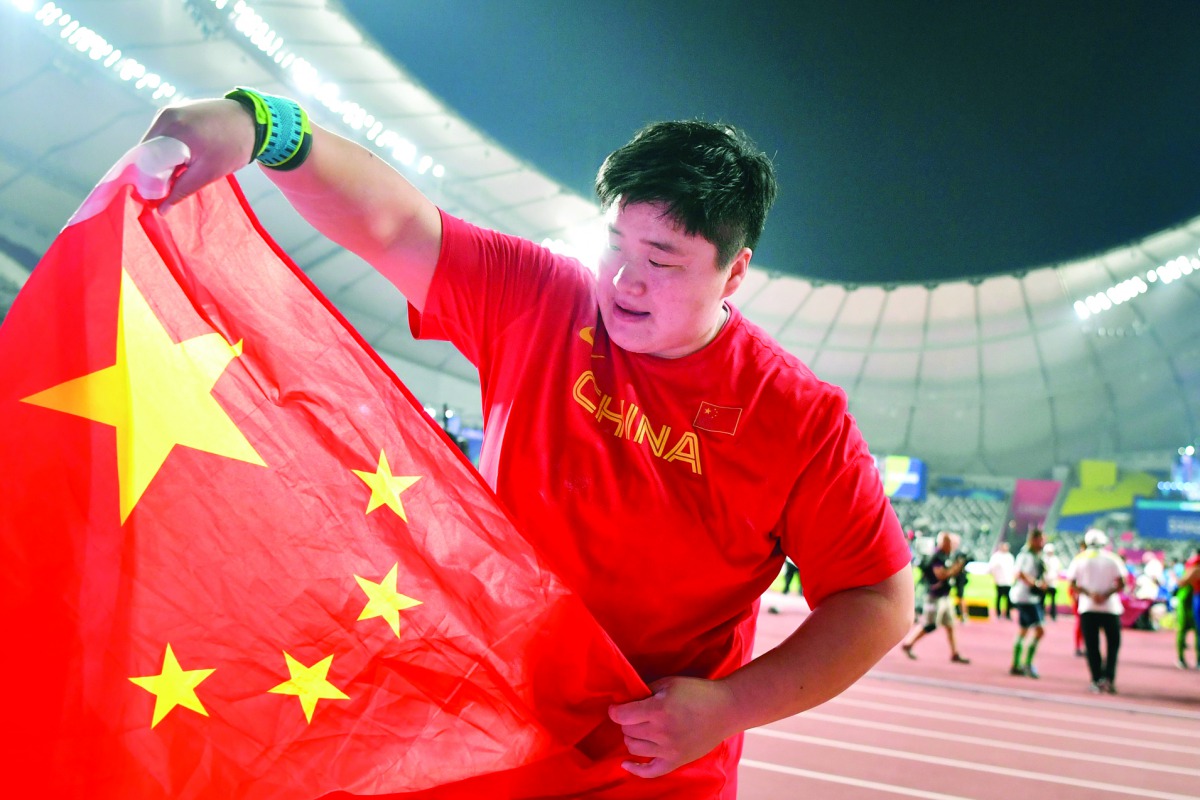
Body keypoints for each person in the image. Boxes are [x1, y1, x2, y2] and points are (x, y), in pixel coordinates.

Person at [141, 91, 914, 796]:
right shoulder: (543, 300)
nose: (625, 283)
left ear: (734, 273)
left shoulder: (798, 418)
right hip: (477, 726)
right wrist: (265, 126)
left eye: (663, 262)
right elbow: (399, 226)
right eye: (616, 244)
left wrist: (726, 707)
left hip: (649, 763)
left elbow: (877, 598)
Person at [1066, 529, 1125, 694]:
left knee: (1092, 646)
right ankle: (1109, 678)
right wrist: (1105, 595)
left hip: (1088, 607)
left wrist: (1090, 594)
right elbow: (1121, 582)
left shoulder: (1080, 559)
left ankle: (1096, 679)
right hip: (1110, 608)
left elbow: (1071, 583)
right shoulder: (1112, 558)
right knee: (1113, 645)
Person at [900, 531, 971, 664]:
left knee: (950, 625)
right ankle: (908, 644)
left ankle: (954, 653)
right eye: (950, 543)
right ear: (943, 543)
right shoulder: (936, 557)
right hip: (934, 596)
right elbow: (941, 575)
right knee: (930, 624)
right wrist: (956, 567)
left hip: (945, 596)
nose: (953, 545)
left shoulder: (947, 556)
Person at [1008, 528, 1048, 678]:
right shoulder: (1026, 555)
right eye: (1041, 540)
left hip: (1029, 597)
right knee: (1039, 631)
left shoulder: (1036, 556)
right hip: (1026, 598)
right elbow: (1020, 573)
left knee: (1024, 629)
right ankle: (1027, 664)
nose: (1043, 543)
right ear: (1033, 540)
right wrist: (1036, 584)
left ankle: (1016, 663)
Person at [987, 541, 1016, 620]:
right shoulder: (996, 556)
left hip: (1008, 581)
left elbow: (1013, 569)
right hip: (999, 580)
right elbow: (991, 568)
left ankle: (1007, 613)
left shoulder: (1010, 557)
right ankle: (998, 613)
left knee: (1008, 598)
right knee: (999, 597)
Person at [1041, 541, 1062, 621]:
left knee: (1053, 600)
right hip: (1044, 583)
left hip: (1053, 583)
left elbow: (1058, 571)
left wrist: (1052, 579)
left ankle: (1053, 615)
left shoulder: (1056, 560)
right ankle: (1042, 614)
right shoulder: (1043, 559)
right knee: (1043, 600)